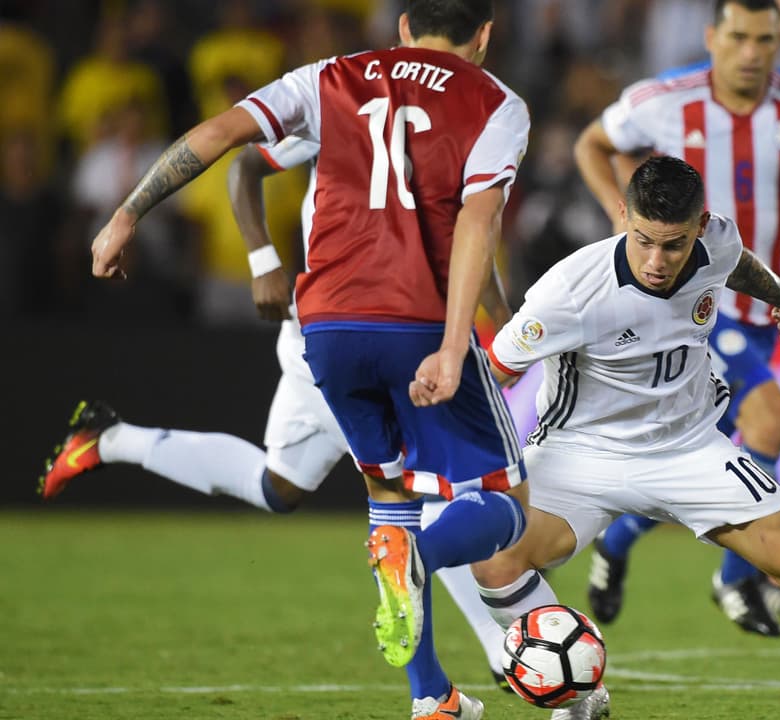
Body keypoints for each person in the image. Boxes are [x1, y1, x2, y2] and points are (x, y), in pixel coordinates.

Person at [87, 2, 531, 718]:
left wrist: (126, 213)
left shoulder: (330, 79)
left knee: (389, 496)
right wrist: (459, 345)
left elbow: (219, 135)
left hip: (326, 328)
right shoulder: (495, 103)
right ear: (484, 34)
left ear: (404, 26)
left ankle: (431, 697)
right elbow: (477, 223)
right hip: (416, 323)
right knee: (505, 506)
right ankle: (421, 567)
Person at [471, 156, 780, 720]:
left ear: (700, 226)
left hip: (690, 449)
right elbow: (493, 374)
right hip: (580, 453)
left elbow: (736, 263)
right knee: (495, 561)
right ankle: (581, 696)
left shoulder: (716, 243)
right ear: (623, 215)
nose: (657, 262)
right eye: (644, 241)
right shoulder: (569, 290)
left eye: (674, 245)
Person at [40, 135, 513, 689]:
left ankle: (109, 439)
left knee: (278, 487)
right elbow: (243, 164)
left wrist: (503, 319)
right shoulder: (341, 107)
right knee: (427, 489)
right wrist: (262, 260)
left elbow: (467, 233)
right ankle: (497, 650)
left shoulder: (444, 120)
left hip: (367, 333)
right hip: (347, 334)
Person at [573, 0, 780, 637]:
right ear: (712, 37)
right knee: (771, 420)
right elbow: (593, 143)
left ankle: (616, 543)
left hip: (761, 310)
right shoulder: (664, 100)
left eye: (765, 39)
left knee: (699, 457)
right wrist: (623, 220)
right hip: (690, 308)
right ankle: (735, 580)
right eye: (739, 37)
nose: (752, 52)